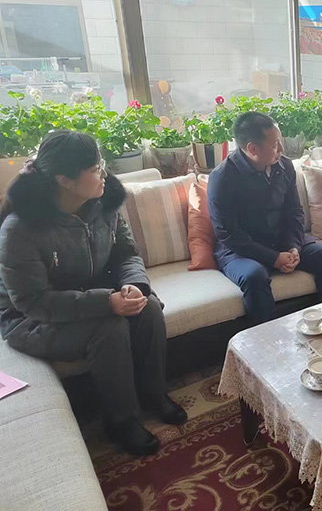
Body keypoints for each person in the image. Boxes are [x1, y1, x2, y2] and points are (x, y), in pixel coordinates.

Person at [0, 131, 186, 457]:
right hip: (31, 319)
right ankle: (122, 421)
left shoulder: (104, 204)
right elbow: (32, 301)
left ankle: (154, 395)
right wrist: (106, 302)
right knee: (108, 327)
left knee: (149, 307)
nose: (104, 173)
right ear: (64, 179)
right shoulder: (20, 229)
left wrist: (135, 286)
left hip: (90, 295)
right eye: (95, 168)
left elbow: (127, 254)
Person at [208, 112, 322, 324]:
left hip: (282, 241)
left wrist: (293, 247)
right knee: (254, 277)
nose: (281, 149)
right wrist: (274, 258)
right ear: (252, 149)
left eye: (280, 142)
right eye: (275, 145)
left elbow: (294, 212)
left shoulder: (285, 166)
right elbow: (229, 234)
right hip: (241, 251)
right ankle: (268, 342)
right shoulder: (222, 178)